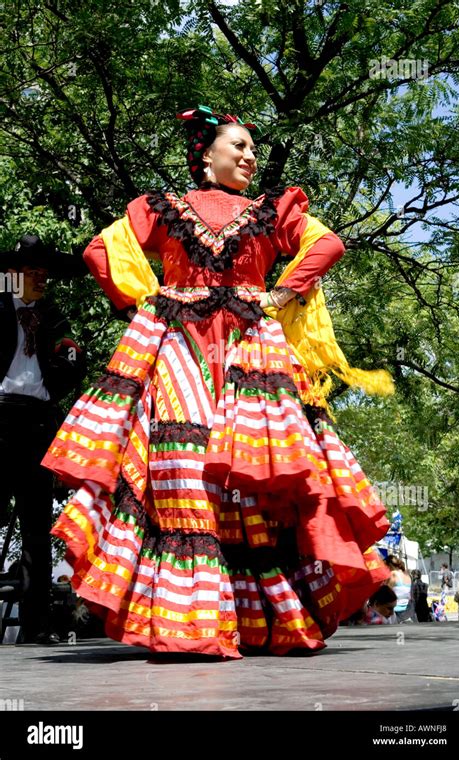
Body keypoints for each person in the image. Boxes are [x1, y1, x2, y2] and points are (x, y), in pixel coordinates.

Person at [42, 105, 394, 658]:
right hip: (186, 343)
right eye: (240, 147)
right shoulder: (162, 208)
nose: (251, 156)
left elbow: (328, 245)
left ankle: (245, 618)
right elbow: (100, 248)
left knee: (251, 473)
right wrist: (154, 300)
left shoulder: (270, 211)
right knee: (184, 464)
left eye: (253, 149)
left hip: (246, 347)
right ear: (206, 155)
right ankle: (198, 620)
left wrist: (278, 292)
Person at [0, 234, 86, 644]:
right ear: (10, 276)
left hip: (35, 422)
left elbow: (72, 362)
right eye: (31, 272)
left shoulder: (52, 315)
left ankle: (36, 628)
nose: (40, 279)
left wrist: (57, 379)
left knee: (37, 525)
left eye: (43, 273)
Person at [384, 555, 415, 623]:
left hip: (395, 611)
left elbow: (386, 593)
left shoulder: (392, 575)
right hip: (407, 610)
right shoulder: (407, 575)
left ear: (389, 565)